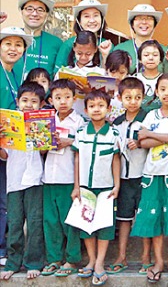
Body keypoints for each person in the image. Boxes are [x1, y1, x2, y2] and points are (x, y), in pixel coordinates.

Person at [132, 73, 168, 283]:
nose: (167, 93)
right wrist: (163, 139)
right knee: (153, 216)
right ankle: (158, 261)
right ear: (156, 92)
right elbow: (142, 142)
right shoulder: (150, 115)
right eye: (163, 89)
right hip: (152, 172)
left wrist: (152, 135)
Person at [71, 89, 121, 286]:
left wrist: (117, 185)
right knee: (87, 226)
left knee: (104, 227)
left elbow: (116, 160)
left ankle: (100, 263)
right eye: (92, 106)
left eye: (101, 106)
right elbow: (76, 159)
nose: (96, 109)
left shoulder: (114, 133)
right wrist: (76, 186)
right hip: (85, 188)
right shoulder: (81, 132)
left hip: (106, 188)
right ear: (86, 110)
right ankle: (91, 260)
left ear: (108, 109)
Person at [0, 82, 46, 280]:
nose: (29, 105)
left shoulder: (42, 122)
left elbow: (44, 152)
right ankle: (13, 262)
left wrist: (46, 138)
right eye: (25, 100)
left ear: (42, 104)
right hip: (15, 181)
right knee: (15, 221)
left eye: (34, 101)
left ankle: (34, 262)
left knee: (35, 222)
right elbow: (4, 156)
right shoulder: (9, 123)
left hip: (35, 179)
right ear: (17, 102)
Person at [108, 78, 151, 276]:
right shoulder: (116, 122)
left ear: (144, 98)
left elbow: (155, 140)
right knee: (123, 218)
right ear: (119, 98)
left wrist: (141, 143)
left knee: (144, 218)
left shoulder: (148, 118)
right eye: (128, 98)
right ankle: (121, 256)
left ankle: (146, 258)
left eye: (137, 97)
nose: (133, 101)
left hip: (144, 175)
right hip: (123, 178)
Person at [41, 79, 84, 277]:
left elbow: (85, 146)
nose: (63, 101)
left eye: (67, 97)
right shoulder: (47, 120)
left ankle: (72, 259)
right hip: (49, 177)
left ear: (74, 99)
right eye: (58, 98)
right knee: (51, 221)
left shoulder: (80, 121)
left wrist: (70, 142)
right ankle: (54, 259)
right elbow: (39, 149)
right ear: (51, 100)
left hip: (69, 179)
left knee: (71, 221)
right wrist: (44, 144)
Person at [54, 0, 112, 74]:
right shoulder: (68, 44)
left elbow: (112, 75)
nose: (92, 20)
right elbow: (58, 73)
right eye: (86, 16)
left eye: (96, 15)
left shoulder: (107, 45)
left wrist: (105, 55)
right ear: (79, 20)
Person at [15, 0, 63, 76]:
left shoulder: (56, 43)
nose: (34, 14)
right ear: (22, 11)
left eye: (40, 10)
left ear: (46, 14)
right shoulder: (10, 38)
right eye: (29, 9)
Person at [111, 4, 163, 74]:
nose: (144, 22)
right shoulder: (120, 48)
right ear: (132, 24)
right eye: (139, 18)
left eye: (149, 18)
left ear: (154, 24)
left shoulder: (163, 50)